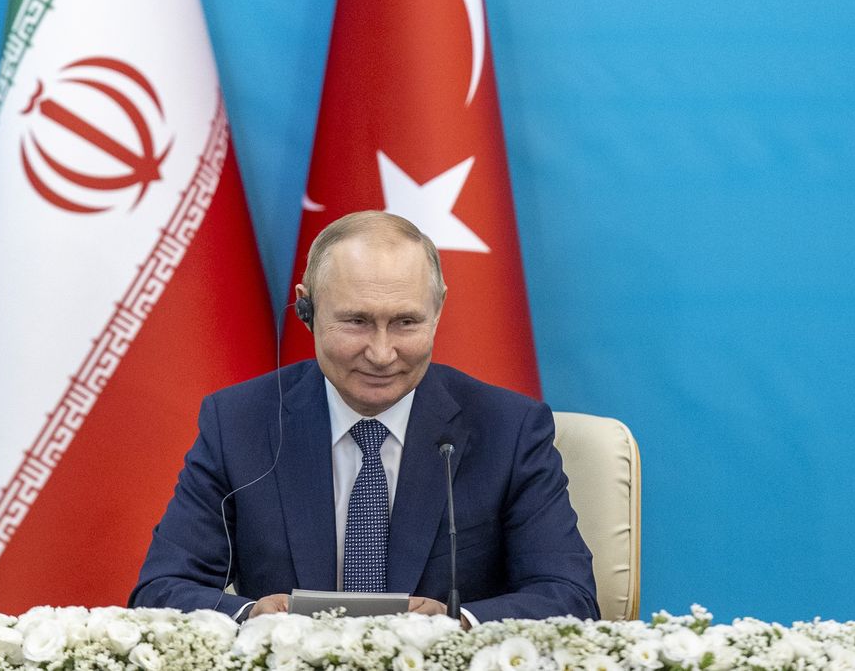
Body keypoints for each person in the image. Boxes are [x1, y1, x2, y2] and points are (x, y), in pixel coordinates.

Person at [129, 210, 598, 624]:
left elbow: (569, 597)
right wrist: (252, 616)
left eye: (405, 322)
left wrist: (462, 624)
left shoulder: (510, 428)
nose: (381, 352)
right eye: (356, 321)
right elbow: (160, 591)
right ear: (307, 310)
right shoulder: (238, 423)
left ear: (438, 311)